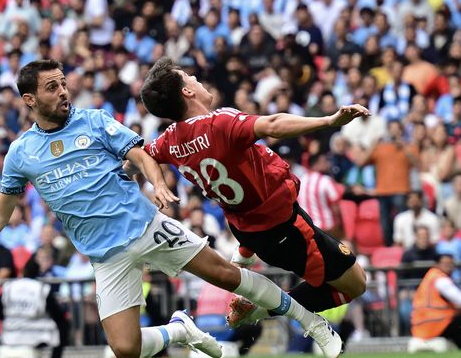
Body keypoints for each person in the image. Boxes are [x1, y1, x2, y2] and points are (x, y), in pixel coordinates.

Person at [0, 60, 344, 358]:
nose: (63, 92)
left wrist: (158, 183)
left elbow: (139, 151)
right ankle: (180, 330)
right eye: (52, 88)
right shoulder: (20, 154)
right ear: (30, 99)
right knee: (124, 349)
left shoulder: (93, 122)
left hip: (144, 226)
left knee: (224, 274)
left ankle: (311, 322)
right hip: (104, 256)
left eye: (64, 84)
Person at [138, 58, 369, 335]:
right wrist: (329, 120)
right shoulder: (218, 124)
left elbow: (141, 154)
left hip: (245, 227)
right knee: (356, 283)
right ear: (186, 92)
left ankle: (243, 257)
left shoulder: (171, 139)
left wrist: (157, 182)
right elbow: (272, 125)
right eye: (189, 77)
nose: (195, 79)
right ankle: (261, 308)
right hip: (281, 227)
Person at [410, 251, 461, 349]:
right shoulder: (440, 278)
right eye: (445, 264)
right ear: (437, 264)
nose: (449, 266)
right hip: (437, 325)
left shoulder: (430, 277)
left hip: (421, 327)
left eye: (450, 264)